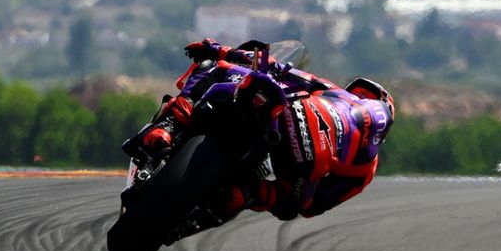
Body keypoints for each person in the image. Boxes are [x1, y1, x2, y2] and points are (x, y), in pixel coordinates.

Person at [126, 37, 394, 222]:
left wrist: (218, 50)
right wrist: (266, 196)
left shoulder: (334, 93)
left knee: (216, 69)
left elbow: (278, 68)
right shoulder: (365, 168)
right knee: (290, 204)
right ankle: (240, 194)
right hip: (306, 163)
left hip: (291, 119)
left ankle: (169, 127)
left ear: (361, 94)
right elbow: (314, 207)